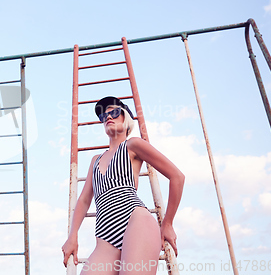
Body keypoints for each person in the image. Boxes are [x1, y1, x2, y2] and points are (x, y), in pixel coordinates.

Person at [62, 96, 184, 274]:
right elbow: (83, 200)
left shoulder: (133, 145)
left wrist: (168, 223)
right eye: (104, 116)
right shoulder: (95, 160)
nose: (108, 116)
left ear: (126, 119)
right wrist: (72, 236)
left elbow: (177, 177)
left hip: (136, 222)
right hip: (105, 236)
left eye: (114, 112)